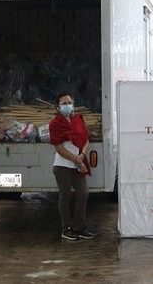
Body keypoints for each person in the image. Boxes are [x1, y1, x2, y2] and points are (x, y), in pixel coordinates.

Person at [49, 93, 95, 241]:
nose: (67, 105)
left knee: (83, 193)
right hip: (63, 165)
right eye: (64, 103)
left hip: (78, 162)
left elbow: (86, 139)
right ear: (58, 107)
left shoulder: (78, 119)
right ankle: (67, 228)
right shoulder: (55, 124)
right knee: (65, 195)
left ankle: (80, 227)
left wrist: (82, 155)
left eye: (70, 102)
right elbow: (59, 148)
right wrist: (77, 160)